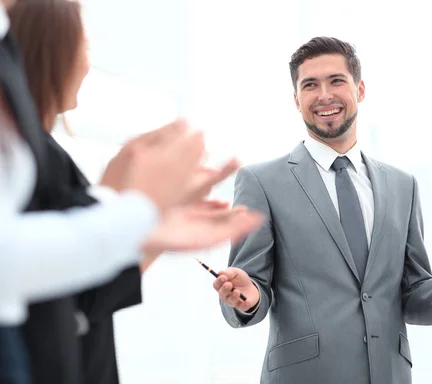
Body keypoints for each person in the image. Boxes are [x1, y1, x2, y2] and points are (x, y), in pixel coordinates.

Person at [213, 36, 432, 383]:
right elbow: (250, 288)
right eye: (310, 85)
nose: (324, 95)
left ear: (360, 89)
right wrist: (246, 298)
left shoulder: (402, 186)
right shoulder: (261, 182)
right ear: (296, 99)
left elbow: (412, 294)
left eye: (336, 81)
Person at [1, 0, 262, 383]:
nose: (88, 64)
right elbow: (80, 294)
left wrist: (144, 224)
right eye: (86, 45)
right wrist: (136, 217)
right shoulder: (44, 161)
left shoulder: (44, 157)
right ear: (55, 48)